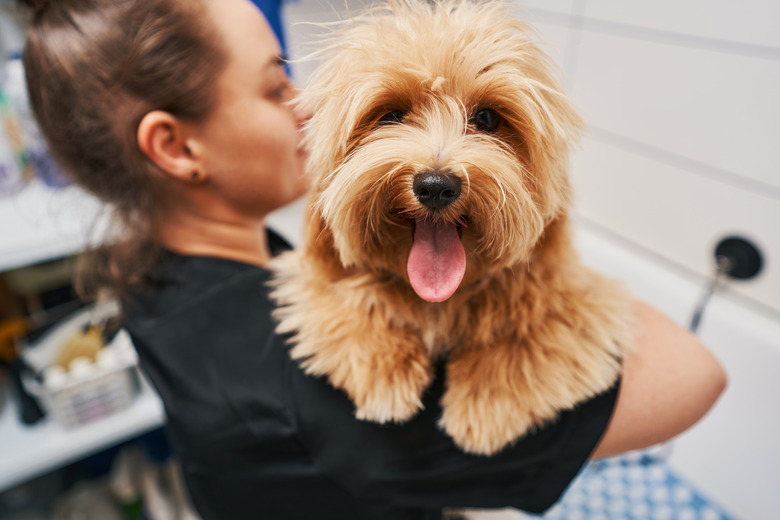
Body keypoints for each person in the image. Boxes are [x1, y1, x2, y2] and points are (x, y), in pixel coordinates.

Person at [18, 0, 727, 518]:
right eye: (275, 87)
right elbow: (695, 375)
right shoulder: (319, 387)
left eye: (485, 120)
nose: (309, 108)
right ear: (176, 148)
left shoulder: (161, 268)